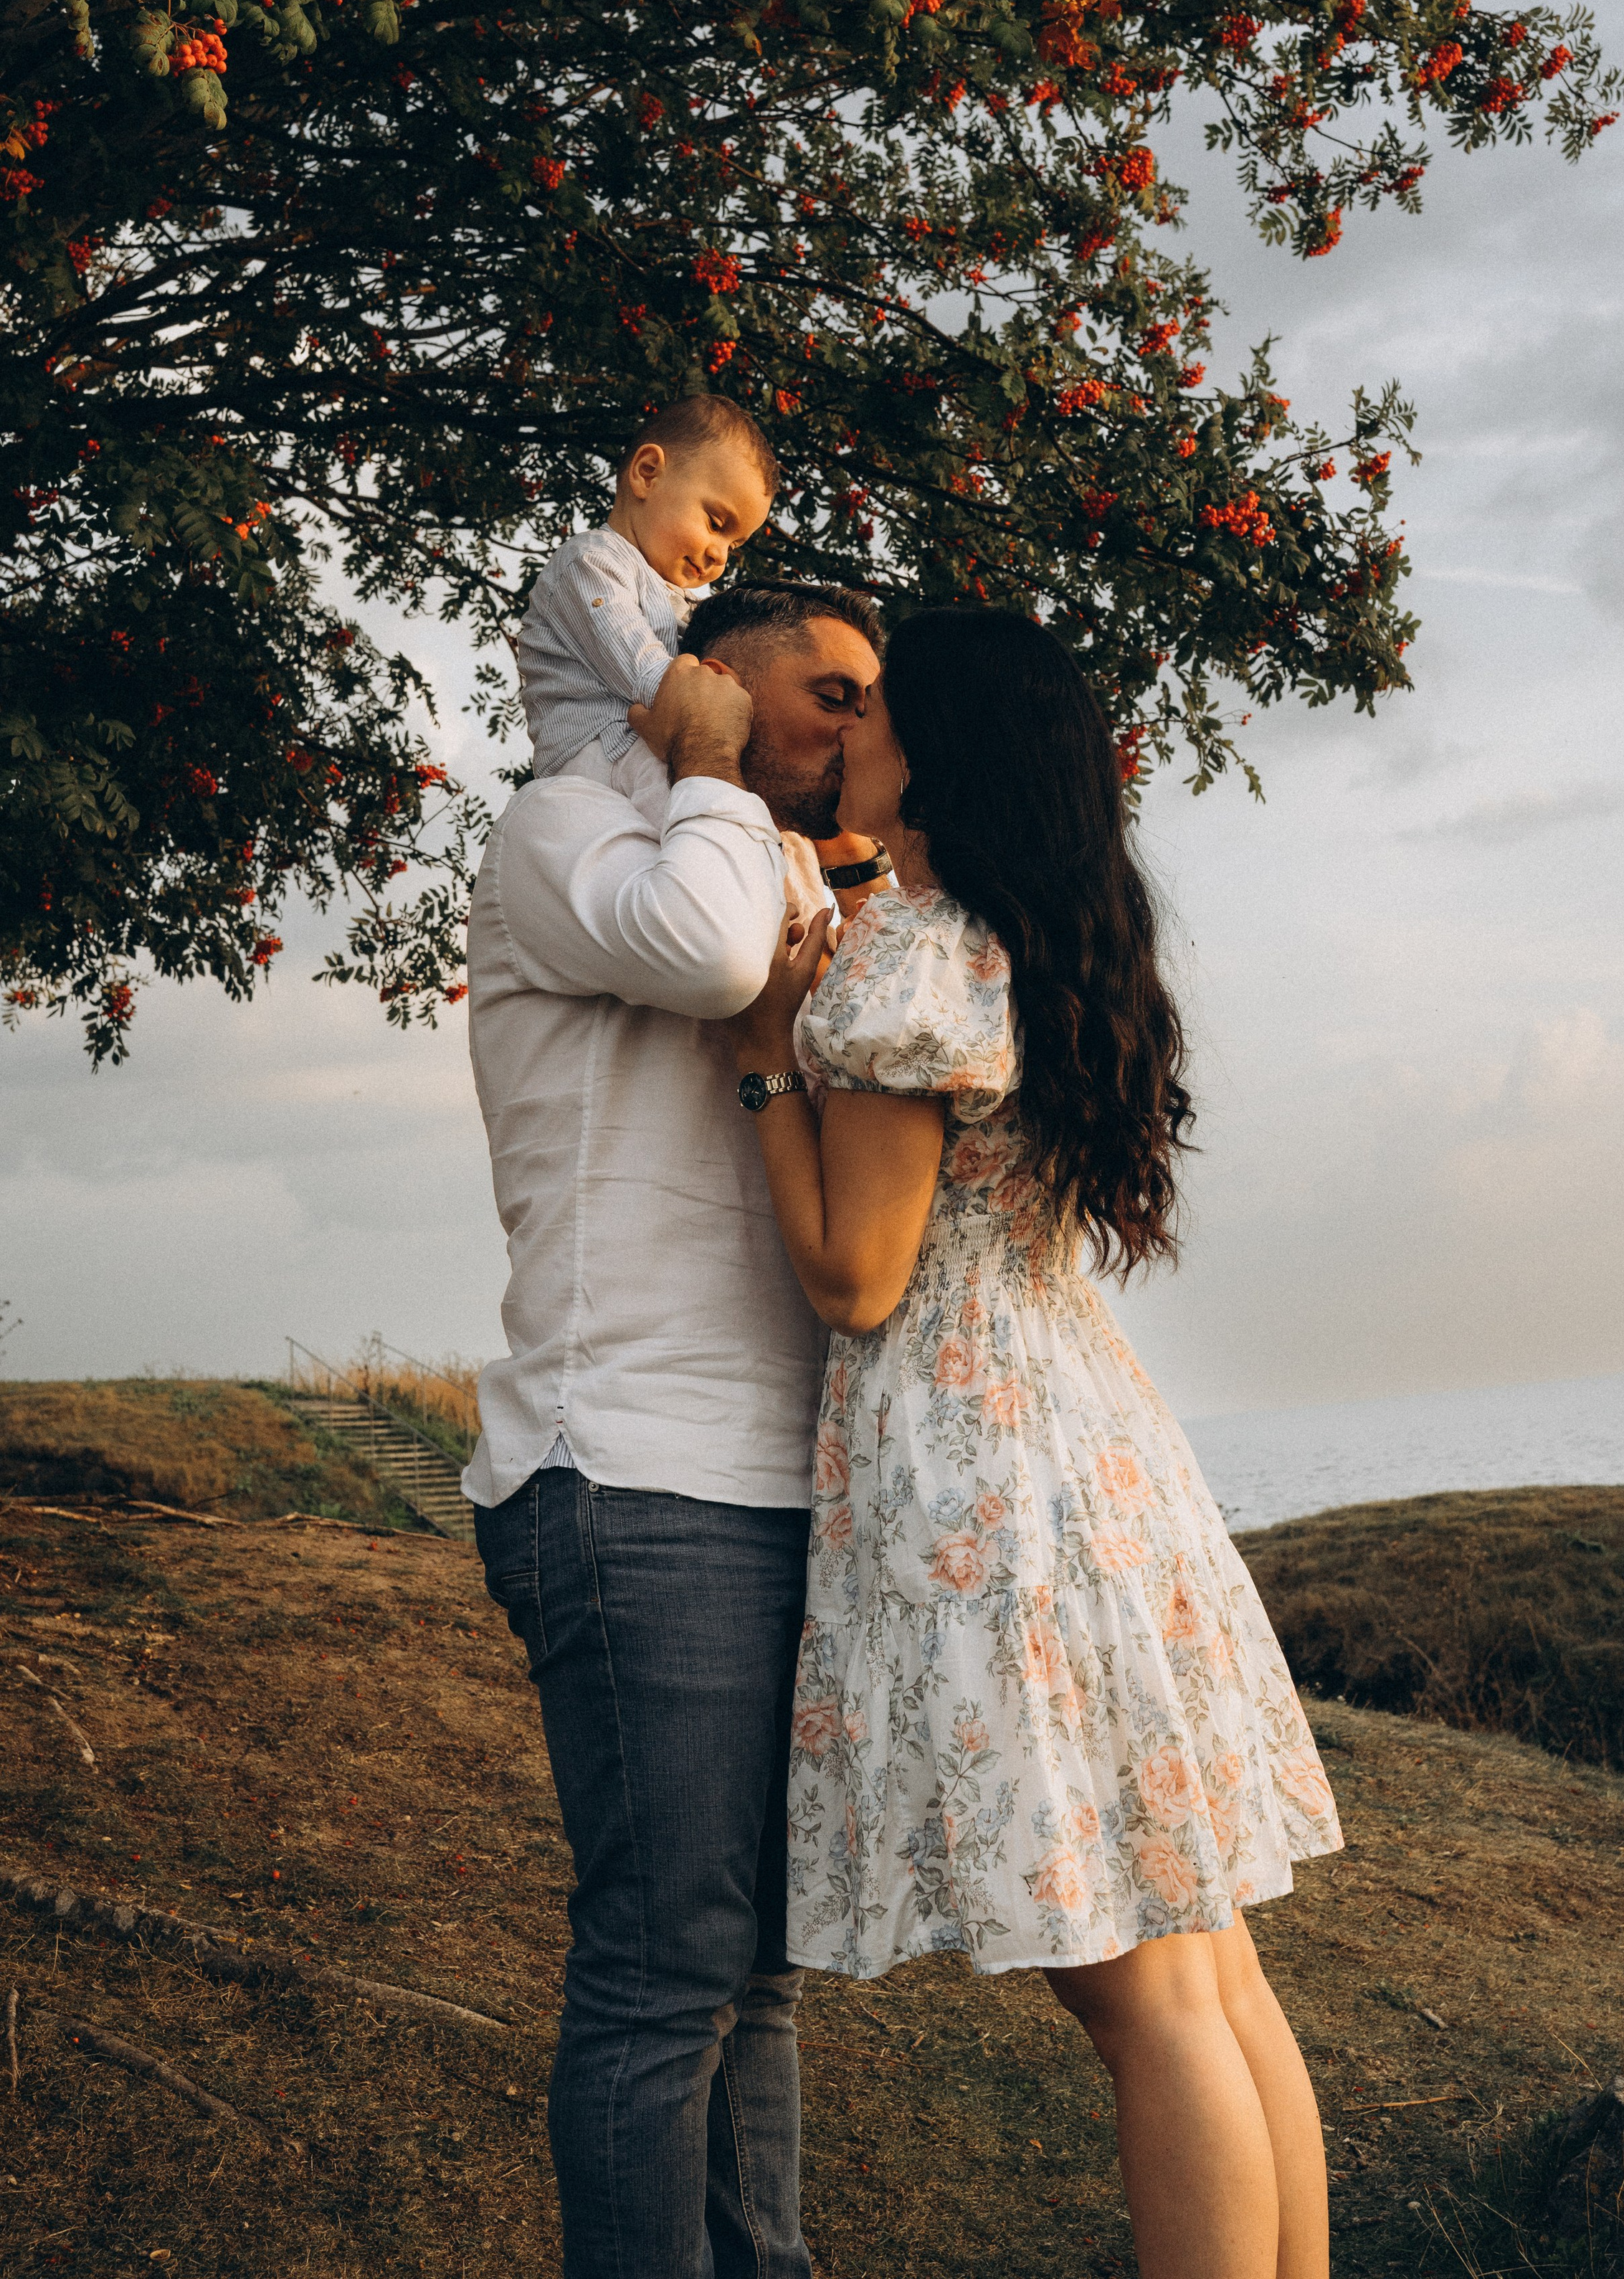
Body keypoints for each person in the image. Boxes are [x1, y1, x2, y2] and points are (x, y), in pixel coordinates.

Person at [728, 607, 1343, 2279]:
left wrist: (754, 1076)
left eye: (875, 707)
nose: (848, 727)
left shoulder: (913, 959)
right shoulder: (1024, 940)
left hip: (986, 1483)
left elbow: (858, 1273)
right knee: (1204, 1965)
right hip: (1097, 1461)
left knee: (1145, 1995)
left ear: (940, 749)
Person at [462, 578, 884, 2279]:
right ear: (715, 677)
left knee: (755, 1969)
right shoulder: (563, 830)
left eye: (876, 704)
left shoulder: (775, 860)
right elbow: (712, 958)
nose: (859, 727)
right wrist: (705, 761)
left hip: (775, 1473)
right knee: (660, 1974)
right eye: (830, 690)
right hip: (630, 1465)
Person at [514, 394, 778, 788]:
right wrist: (724, 717)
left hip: (654, 751)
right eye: (715, 523)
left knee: (757, 820)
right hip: (599, 757)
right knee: (726, 814)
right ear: (648, 472)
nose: (719, 555)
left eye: (734, 546)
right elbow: (646, 672)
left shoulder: (694, 603)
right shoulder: (589, 563)